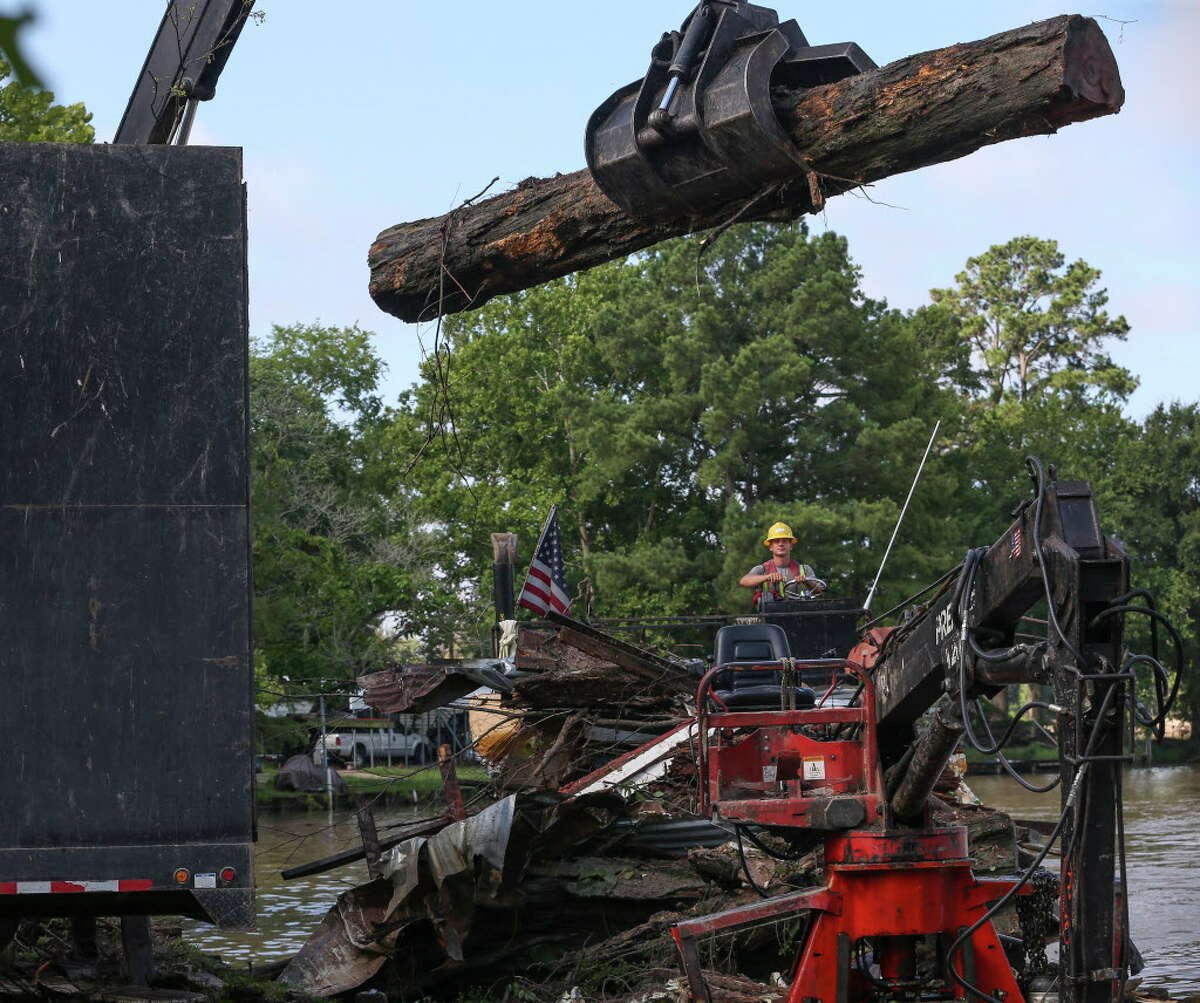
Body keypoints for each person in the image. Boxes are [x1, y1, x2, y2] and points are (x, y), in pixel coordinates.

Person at [739, 522, 824, 605]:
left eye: (785, 541)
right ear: (770, 547)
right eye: (776, 541)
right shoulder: (762, 569)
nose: (780, 544)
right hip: (770, 616)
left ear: (791, 545)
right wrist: (767, 577)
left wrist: (806, 581)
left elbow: (820, 592)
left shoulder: (804, 570)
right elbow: (744, 581)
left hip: (799, 615)